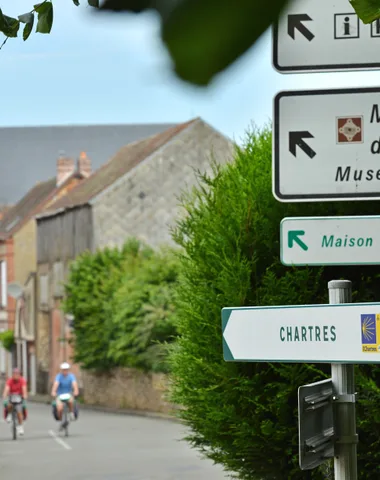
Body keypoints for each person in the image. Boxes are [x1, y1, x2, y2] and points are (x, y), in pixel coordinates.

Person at [2, 367, 28, 435]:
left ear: (19, 375)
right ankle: (9, 415)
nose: (16, 375)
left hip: (19, 398)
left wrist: (24, 395)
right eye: (14, 374)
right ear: (12, 375)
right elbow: (7, 388)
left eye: (17, 374)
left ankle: (20, 426)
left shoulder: (22, 380)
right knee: (8, 404)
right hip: (11, 397)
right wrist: (4, 395)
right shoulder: (10, 381)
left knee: (19, 412)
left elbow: (24, 389)